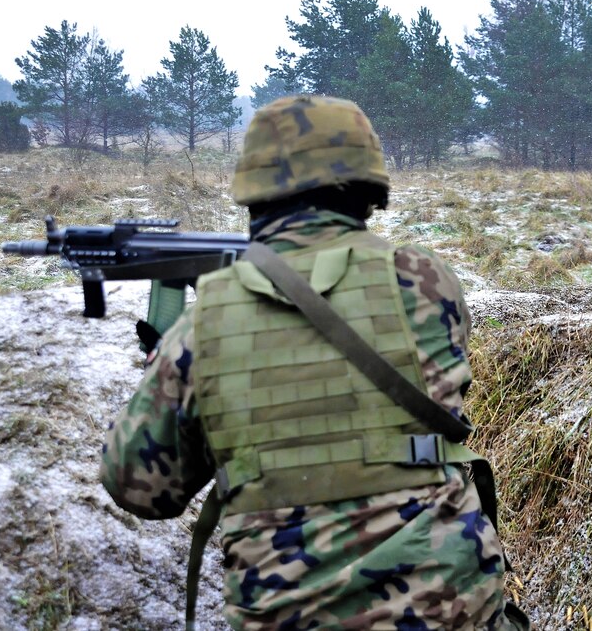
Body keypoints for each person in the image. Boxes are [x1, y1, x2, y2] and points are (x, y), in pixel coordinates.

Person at [100, 95, 527, 630]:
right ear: (368, 188)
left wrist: (167, 358)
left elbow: (139, 488)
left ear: (254, 190)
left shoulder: (205, 321)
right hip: (453, 609)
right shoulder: (427, 282)